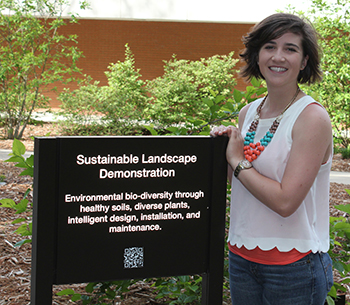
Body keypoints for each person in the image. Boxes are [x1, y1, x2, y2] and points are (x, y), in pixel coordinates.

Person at [211, 13, 333, 305]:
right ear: (257, 54)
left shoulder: (311, 117)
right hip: (242, 257)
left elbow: (285, 202)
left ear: (304, 61)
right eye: (269, 46)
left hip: (293, 268)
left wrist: (238, 161)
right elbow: (242, 184)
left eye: (290, 48)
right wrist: (226, 151)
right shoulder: (248, 112)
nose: (278, 56)